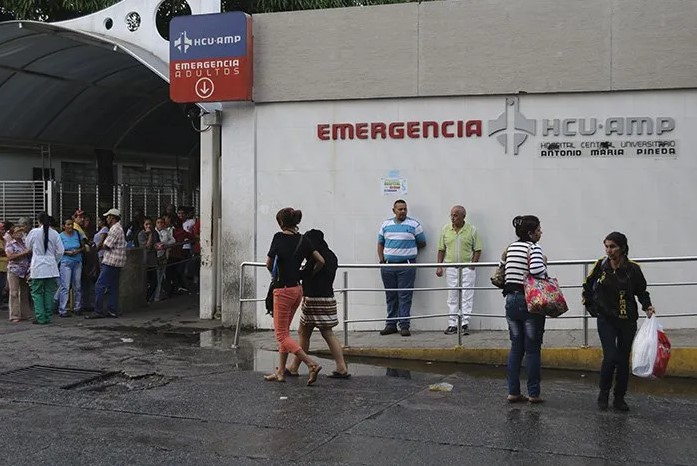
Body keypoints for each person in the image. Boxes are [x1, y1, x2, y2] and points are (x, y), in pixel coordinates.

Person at [582, 232, 656, 412]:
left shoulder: (633, 269)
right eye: (607, 246)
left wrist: (647, 306)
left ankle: (619, 397)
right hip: (606, 319)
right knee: (610, 357)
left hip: (627, 319)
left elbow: (642, 292)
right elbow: (587, 287)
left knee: (623, 359)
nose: (609, 250)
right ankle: (603, 393)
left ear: (622, 248)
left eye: (613, 246)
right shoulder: (600, 265)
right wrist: (592, 307)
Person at [264, 207, 324, 385]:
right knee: (285, 332)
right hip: (297, 290)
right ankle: (281, 372)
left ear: (281, 222)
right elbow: (320, 261)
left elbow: (268, 263)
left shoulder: (278, 237)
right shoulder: (303, 240)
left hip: (282, 290)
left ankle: (311, 363)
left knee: (281, 335)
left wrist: (276, 275)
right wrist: (305, 274)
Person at [287, 229, 350, 379]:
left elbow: (304, 275)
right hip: (328, 298)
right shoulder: (332, 256)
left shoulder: (316, 258)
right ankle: (341, 367)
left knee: (304, 333)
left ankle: (294, 367)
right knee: (326, 333)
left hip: (313, 299)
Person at [502, 215, 547, 404]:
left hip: (511, 300)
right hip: (529, 302)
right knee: (532, 349)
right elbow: (536, 270)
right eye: (538, 229)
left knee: (516, 348)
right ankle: (534, 393)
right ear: (531, 232)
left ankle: (513, 391)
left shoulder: (511, 248)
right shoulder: (533, 248)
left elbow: (503, 270)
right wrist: (544, 261)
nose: (541, 232)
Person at [377, 199, 426, 337]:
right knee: (391, 295)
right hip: (388, 266)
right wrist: (382, 260)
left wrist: (407, 250)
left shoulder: (414, 225)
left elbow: (422, 242)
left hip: (407, 266)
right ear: (394, 210)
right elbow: (380, 243)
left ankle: (404, 325)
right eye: (400, 209)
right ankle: (391, 325)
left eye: (404, 209)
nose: (403, 211)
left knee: (405, 295)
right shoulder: (386, 224)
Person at [436, 205, 483, 335]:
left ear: (463, 216)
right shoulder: (446, 229)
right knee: (452, 295)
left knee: (467, 295)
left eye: (456, 215)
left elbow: (478, 249)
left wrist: (473, 265)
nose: (453, 218)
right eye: (452, 215)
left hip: (467, 267)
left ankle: (464, 323)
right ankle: (452, 324)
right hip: (451, 267)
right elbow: (441, 249)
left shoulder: (472, 230)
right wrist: (439, 266)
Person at [85, 208, 126, 319]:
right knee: (113, 287)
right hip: (117, 262)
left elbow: (106, 245)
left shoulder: (114, 229)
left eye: (108, 217)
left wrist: (100, 245)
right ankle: (112, 310)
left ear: (112, 217)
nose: (106, 219)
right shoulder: (118, 228)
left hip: (111, 261)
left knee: (100, 285)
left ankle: (98, 310)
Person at [25, 212, 64, 324]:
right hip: (51, 267)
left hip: (38, 266)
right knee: (49, 292)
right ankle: (47, 316)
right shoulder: (55, 233)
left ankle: (40, 317)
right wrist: (54, 260)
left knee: (37, 292)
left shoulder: (34, 232)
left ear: (39, 221)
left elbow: (28, 246)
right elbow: (60, 251)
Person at [57, 218, 84, 317]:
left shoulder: (77, 234)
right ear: (64, 226)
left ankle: (77, 307)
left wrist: (78, 251)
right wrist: (66, 252)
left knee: (77, 285)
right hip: (66, 262)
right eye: (68, 224)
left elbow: (83, 246)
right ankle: (62, 309)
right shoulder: (60, 236)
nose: (70, 226)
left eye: (71, 224)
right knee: (65, 286)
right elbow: (58, 249)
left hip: (77, 261)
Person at [5, 226, 32, 322]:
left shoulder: (25, 243)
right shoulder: (10, 244)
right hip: (14, 270)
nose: (20, 233)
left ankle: (25, 313)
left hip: (24, 271)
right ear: (12, 234)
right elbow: (10, 257)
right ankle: (14, 315)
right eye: (17, 232)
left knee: (24, 293)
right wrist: (24, 253)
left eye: (20, 231)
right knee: (14, 293)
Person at [138, 217, 159, 302]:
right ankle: (143, 299)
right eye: (146, 224)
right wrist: (150, 235)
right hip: (145, 261)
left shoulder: (155, 233)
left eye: (150, 224)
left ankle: (146, 298)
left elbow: (156, 244)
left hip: (153, 261)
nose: (149, 226)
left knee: (154, 282)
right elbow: (147, 247)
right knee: (145, 282)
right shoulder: (141, 234)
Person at [155, 216, 175, 301]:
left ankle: (157, 296)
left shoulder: (166, 232)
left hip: (162, 256)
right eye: (158, 222)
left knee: (160, 276)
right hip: (154, 256)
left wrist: (165, 245)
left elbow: (173, 240)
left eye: (162, 222)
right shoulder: (154, 232)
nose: (160, 224)